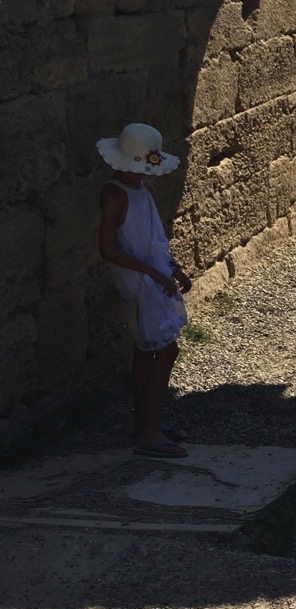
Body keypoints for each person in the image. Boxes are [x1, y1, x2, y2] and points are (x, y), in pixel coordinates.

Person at [97, 122, 192, 458]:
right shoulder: (115, 194)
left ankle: (145, 423)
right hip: (139, 284)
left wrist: (172, 267)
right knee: (166, 351)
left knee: (146, 352)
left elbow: (152, 238)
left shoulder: (138, 189)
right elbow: (107, 248)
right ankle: (150, 433)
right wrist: (153, 273)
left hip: (153, 280)